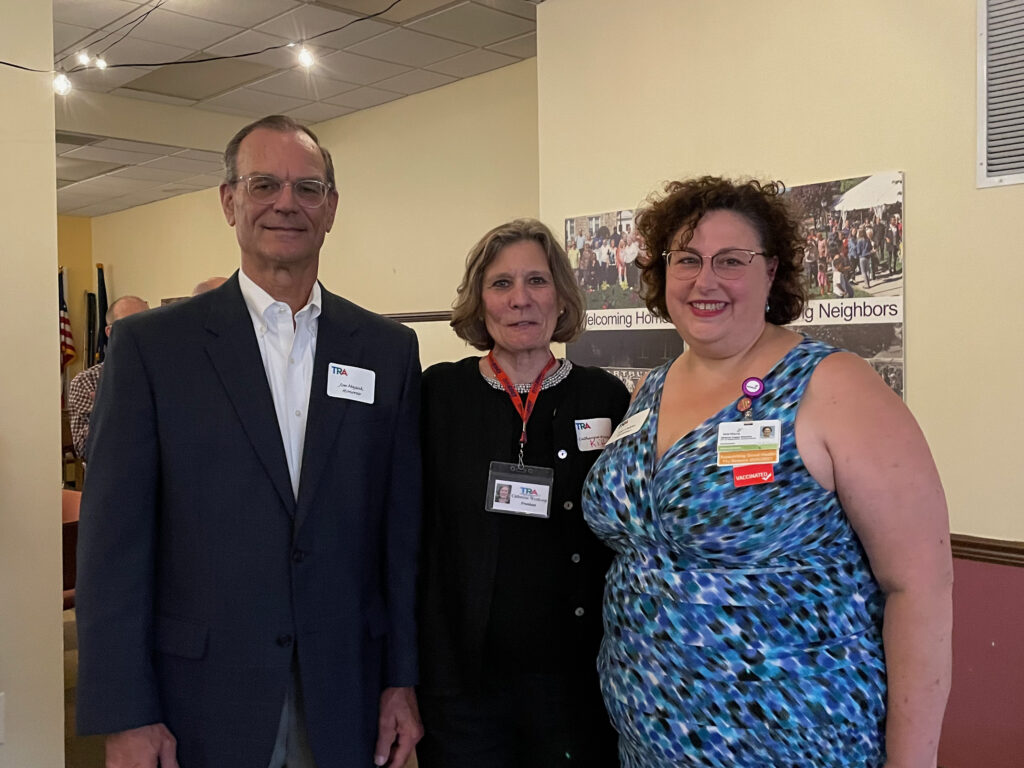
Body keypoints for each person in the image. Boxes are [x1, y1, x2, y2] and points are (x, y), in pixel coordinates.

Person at [75, 115, 423, 768]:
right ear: (229, 200)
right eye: (264, 184)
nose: (287, 203)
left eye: (308, 188)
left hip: (346, 686)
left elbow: (398, 538)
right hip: (201, 696)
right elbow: (112, 549)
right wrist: (125, 713)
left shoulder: (386, 351)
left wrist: (401, 680)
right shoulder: (153, 349)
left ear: (332, 208)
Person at [582, 177, 951, 767]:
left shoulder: (834, 386)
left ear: (771, 270)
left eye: (731, 260)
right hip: (649, 733)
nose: (706, 281)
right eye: (688, 260)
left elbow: (921, 589)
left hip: (793, 735)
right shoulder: (653, 388)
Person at [417, 219, 630, 768]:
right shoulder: (438, 394)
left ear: (560, 297)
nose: (520, 300)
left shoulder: (603, 396)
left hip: (575, 677)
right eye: (501, 284)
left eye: (536, 281)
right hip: (466, 683)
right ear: (479, 300)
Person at [66, 294, 149, 457]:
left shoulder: (165, 375)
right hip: (116, 474)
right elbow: (84, 449)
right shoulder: (86, 382)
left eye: (147, 323)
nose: (141, 331)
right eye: (131, 324)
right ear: (110, 331)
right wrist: (107, 412)